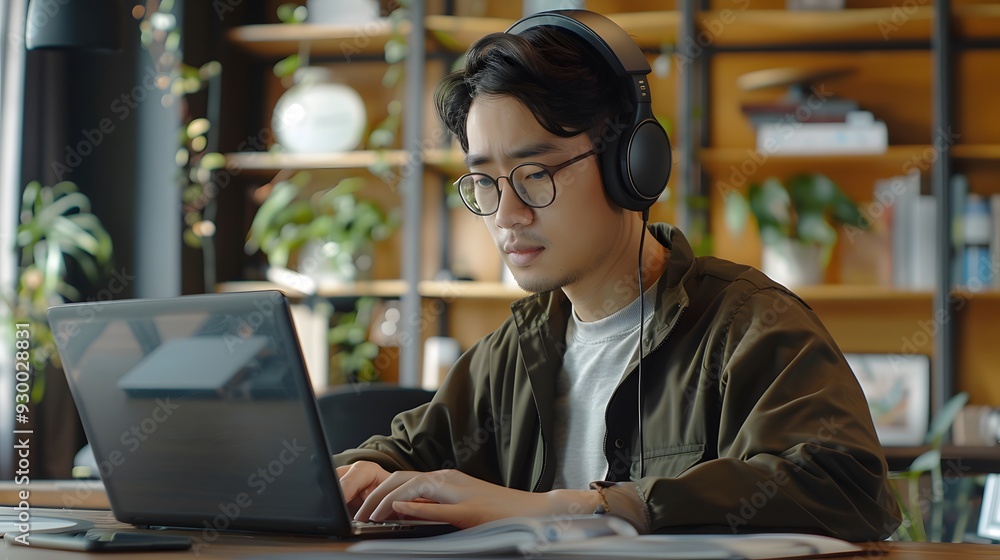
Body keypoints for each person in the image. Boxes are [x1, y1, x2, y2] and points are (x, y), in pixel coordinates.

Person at [334, 10, 901, 540]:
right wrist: (361, 471)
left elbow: (845, 488)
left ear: (630, 164)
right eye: (486, 181)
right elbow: (406, 451)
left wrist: (580, 506)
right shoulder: (514, 351)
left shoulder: (751, 326)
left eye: (534, 172)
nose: (507, 214)